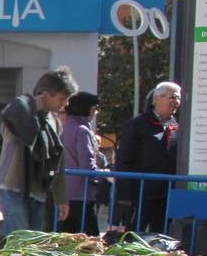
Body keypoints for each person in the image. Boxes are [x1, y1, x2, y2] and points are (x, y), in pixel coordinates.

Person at [0, 68, 75, 236]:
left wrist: (61, 198)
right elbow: (12, 121)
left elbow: (57, 162)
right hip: (13, 189)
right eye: (62, 98)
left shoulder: (54, 122)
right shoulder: (19, 110)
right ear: (45, 94)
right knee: (18, 243)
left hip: (38, 192)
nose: (65, 104)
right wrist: (36, 105)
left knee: (32, 245)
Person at [115, 80, 180, 233]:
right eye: (173, 97)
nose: (176, 102)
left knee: (161, 239)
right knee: (133, 238)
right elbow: (124, 160)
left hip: (166, 194)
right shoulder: (137, 125)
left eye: (178, 98)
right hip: (141, 194)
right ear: (157, 98)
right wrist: (124, 195)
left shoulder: (177, 126)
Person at [60, 91, 102, 234]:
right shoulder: (83, 131)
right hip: (81, 194)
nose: (95, 112)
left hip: (65, 192)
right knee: (90, 239)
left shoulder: (65, 128)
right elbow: (87, 165)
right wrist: (101, 175)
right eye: (94, 109)